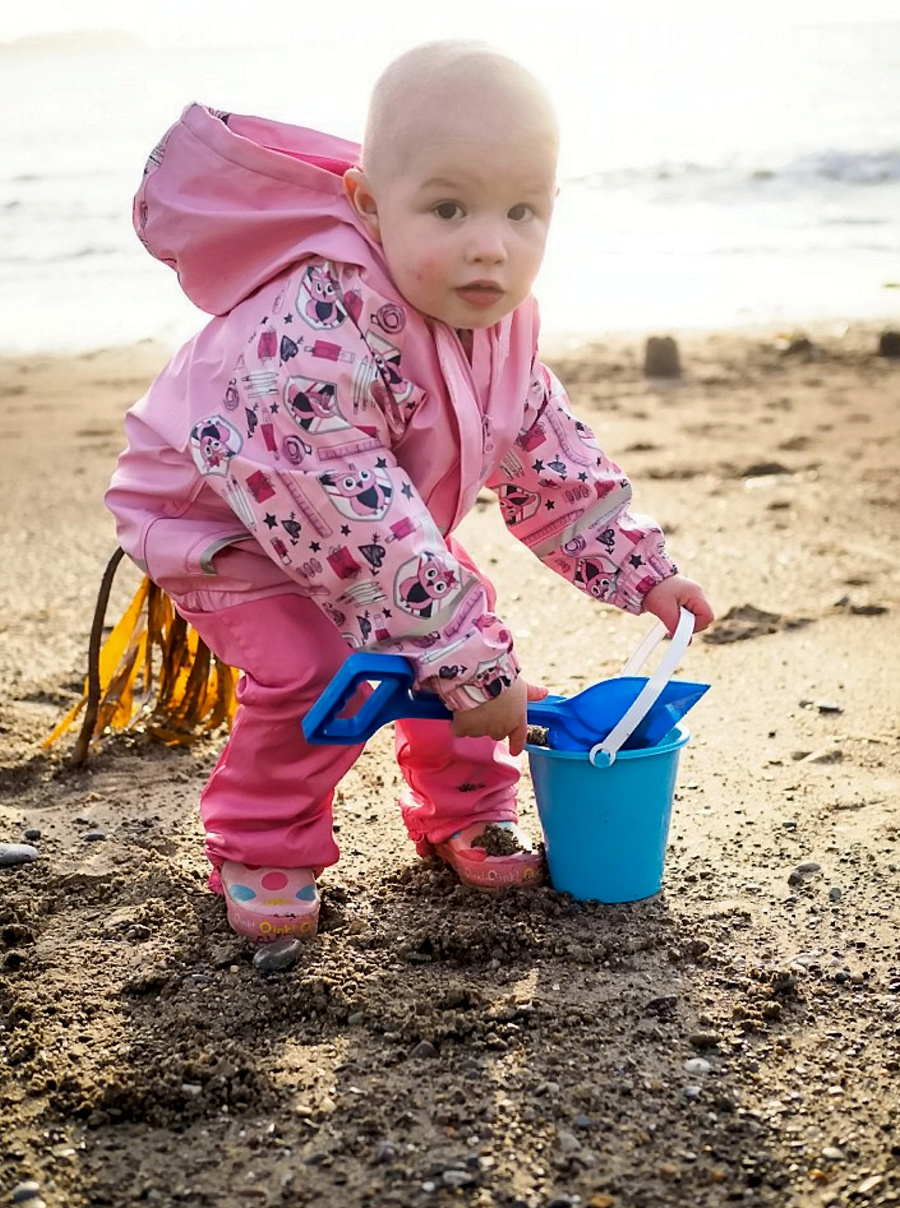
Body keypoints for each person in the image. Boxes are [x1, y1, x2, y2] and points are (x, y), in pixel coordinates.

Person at [106, 41, 714, 943]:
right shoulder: (318, 326)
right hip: (225, 516)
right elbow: (356, 528)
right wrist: (474, 669)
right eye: (448, 206)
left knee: (460, 622)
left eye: (522, 212)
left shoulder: (502, 323)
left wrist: (640, 569)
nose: (489, 244)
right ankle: (263, 842)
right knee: (324, 663)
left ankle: (462, 805)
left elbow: (551, 457)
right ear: (368, 205)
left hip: (375, 523)